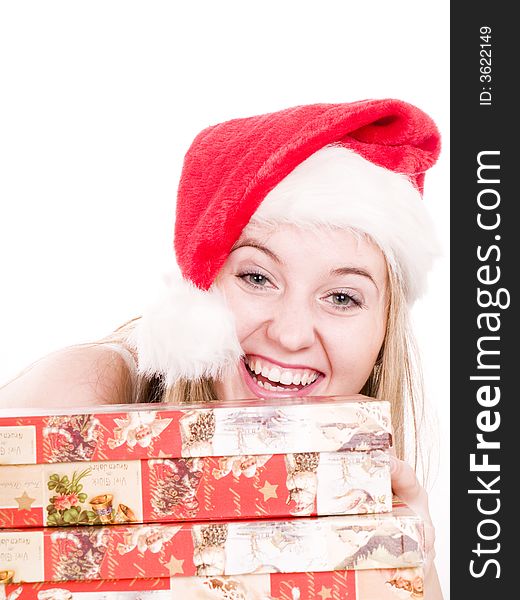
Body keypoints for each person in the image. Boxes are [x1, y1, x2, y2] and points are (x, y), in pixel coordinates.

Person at [0, 99, 443, 597]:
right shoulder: (85, 392)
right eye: (257, 277)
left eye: (342, 297)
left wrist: (414, 576)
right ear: (201, 291)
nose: (292, 335)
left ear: (383, 329)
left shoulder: (375, 508)